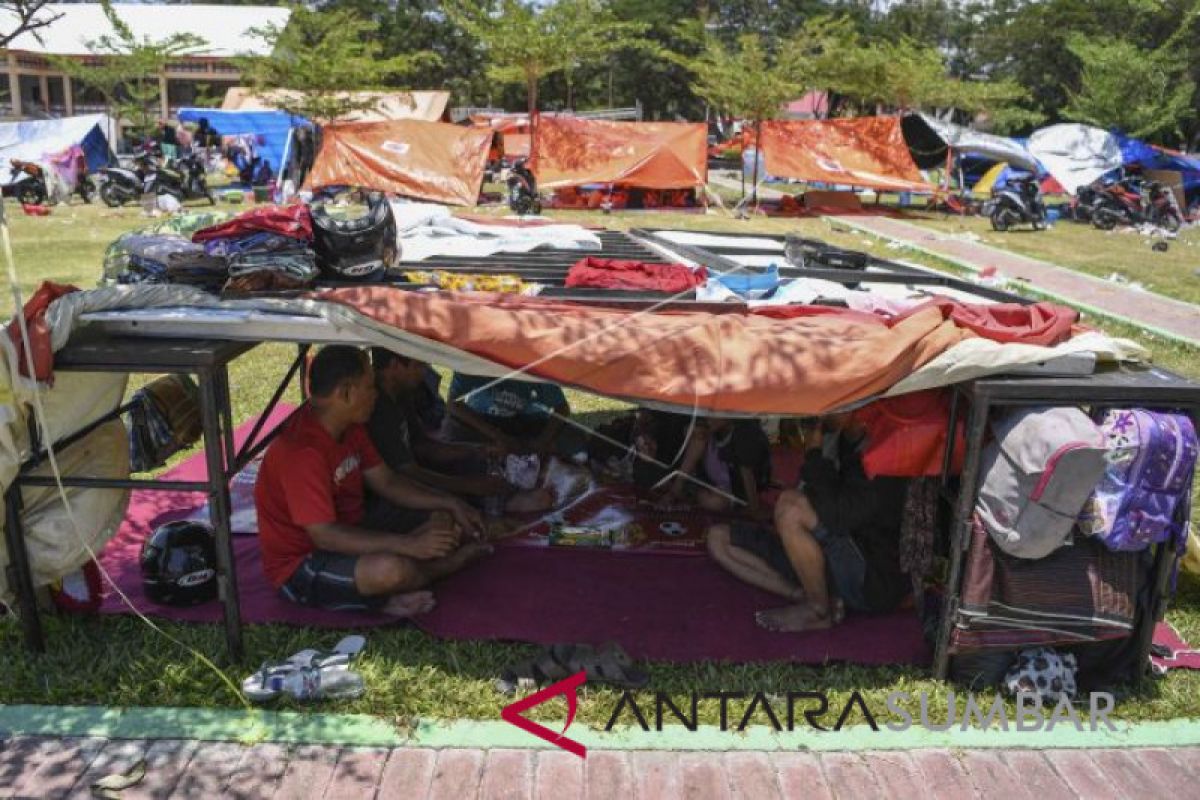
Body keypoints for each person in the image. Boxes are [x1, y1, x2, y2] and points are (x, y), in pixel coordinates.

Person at [255, 346, 490, 617]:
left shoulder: (350, 426)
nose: (376, 394)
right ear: (345, 393)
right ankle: (444, 566)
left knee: (442, 516)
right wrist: (408, 544)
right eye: (369, 386)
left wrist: (451, 502)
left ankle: (410, 571)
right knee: (392, 570)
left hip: (354, 526)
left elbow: (387, 482)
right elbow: (326, 537)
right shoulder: (301, 452)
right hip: (302, 562)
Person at [707, 414, 907, 632]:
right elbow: (811, 494)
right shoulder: (836, 439)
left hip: (868, 577)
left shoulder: (882, 454)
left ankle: (818, 610)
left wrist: (814, 453)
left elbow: (837, 517)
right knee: (718, 538)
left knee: (791, 507)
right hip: (821, 557)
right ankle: (805, 595)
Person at [368, 349, 552, 514]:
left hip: (420, 471)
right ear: (394, 366)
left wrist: (479, 450)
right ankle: (497, 504)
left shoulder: (401, 396)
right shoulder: (379, 411)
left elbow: (424, 446)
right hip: (401, 489)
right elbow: (407, 474)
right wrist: (468, 486)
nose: (424, 372)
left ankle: (502, 496)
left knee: (478, 466)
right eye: (419, 365)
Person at [444, 371, 582, 459]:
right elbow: (453, 404)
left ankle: (507, 451)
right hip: (484, 423)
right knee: (451, 428)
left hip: (526, 424)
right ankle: (498, 450)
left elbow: (562, 408)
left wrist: (541, 442)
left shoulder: (534, 365)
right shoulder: (472, 360)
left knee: (574, 436)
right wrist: (498, 436)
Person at [655, 417, 771, 518]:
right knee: (698, 437)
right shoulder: (709, 429)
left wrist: (754, 509)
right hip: (710, 482)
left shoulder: (745, 434)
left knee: (714, 503)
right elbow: (689, 430)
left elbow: (748, 474)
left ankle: (689, 491)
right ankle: (677, 489)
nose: (708, 417)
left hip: (733, 490)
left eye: (714, 412)